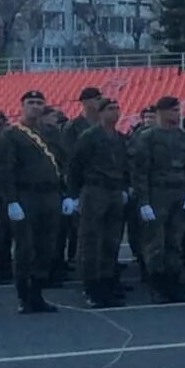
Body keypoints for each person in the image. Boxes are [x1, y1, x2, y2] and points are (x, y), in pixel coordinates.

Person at [0, 89, 71, 314]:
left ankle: (37, 294)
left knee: (47, 246)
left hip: (50, 195)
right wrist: (11, 201)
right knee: (26, 247)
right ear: (22, 105)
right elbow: (5, 169)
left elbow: (64, 163)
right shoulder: (12, 134)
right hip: (26, 196)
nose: (35, 106)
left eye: (39, 102)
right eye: (31, 102)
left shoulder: (51, 133)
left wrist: (66, 194)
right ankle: (23, 296)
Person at [130, 94, 185, 302]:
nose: (177, 114)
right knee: (155, 243)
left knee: (175, 242)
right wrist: (144, 202)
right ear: (162, 112)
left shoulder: (182, 136)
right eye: (173, 110)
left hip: (178, 192)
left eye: (178, 110)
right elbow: (140, 172)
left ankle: (173, 281)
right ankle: (157, 284)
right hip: (157, 193)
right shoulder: (147, 137)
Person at [69, 95, 133, 306]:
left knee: (111, 240)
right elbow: (75, 166)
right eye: (110, 109)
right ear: (101, 112)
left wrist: (124, 188)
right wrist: (74, 194)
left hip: (114, 191)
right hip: (94, 190)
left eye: (117, 108)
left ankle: (107, 283)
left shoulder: (120, 138)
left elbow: (125, 167)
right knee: (91, 241)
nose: (115, 112)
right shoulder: (89, 136)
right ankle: (92, 287)